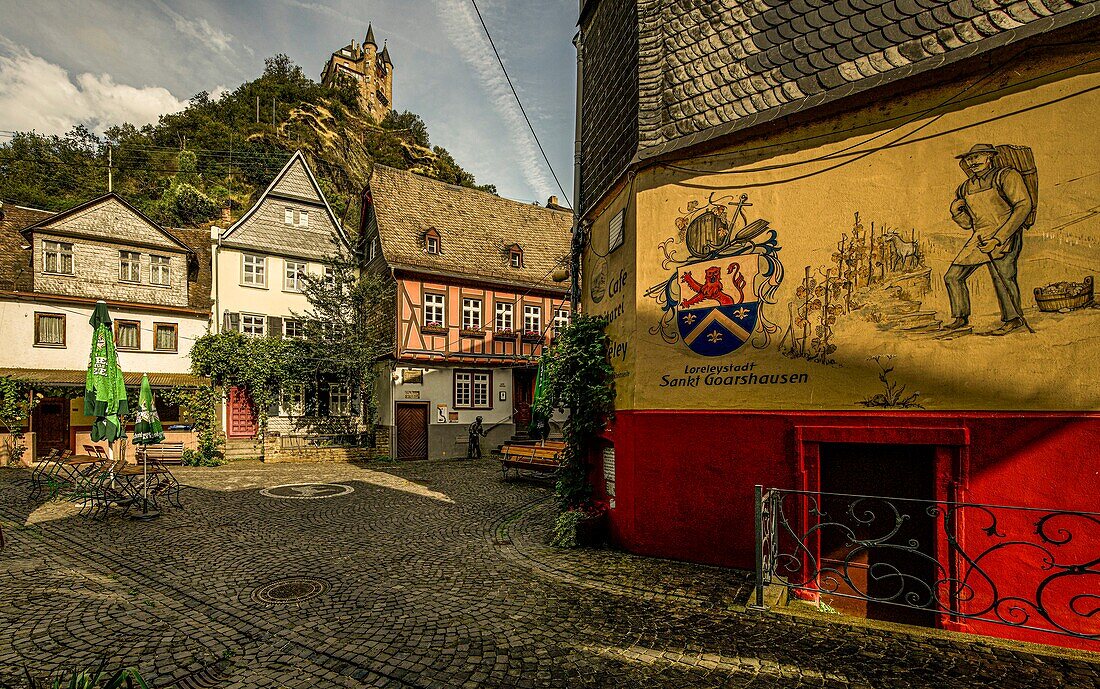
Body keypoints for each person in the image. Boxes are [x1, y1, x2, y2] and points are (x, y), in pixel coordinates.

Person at [943, 143, 1033, 335]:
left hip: (1006, 234)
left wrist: (999, 238)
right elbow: (968, 224)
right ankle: (961, 317)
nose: (972, 162)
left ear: (989, 157)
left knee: (1002, 277)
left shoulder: (1006, 176)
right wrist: (956, 212)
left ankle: (1013, 319)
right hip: (980, 236)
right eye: (969, 159)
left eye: (977, 157)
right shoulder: (966, 187)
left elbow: (1023, 206)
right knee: (952, 276)